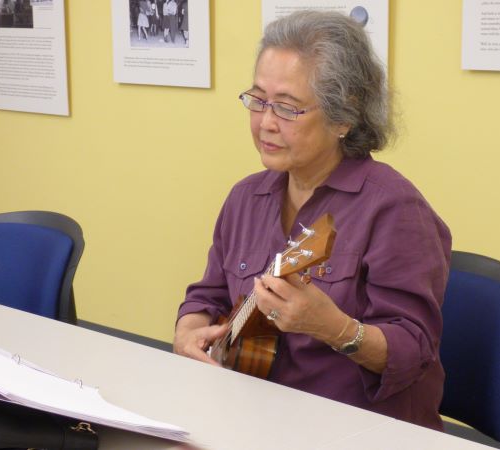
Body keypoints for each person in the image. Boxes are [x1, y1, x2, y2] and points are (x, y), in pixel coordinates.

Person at [173, 10, 451, 431]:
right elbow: (207, 294)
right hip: (254, 413)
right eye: (258, 100)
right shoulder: (245, 197)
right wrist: (188, 331)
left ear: (343, 116)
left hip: (361, 430)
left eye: (286, 108)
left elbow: (413, 350)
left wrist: (335, 328)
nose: (265, 123)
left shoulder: (395, 209)